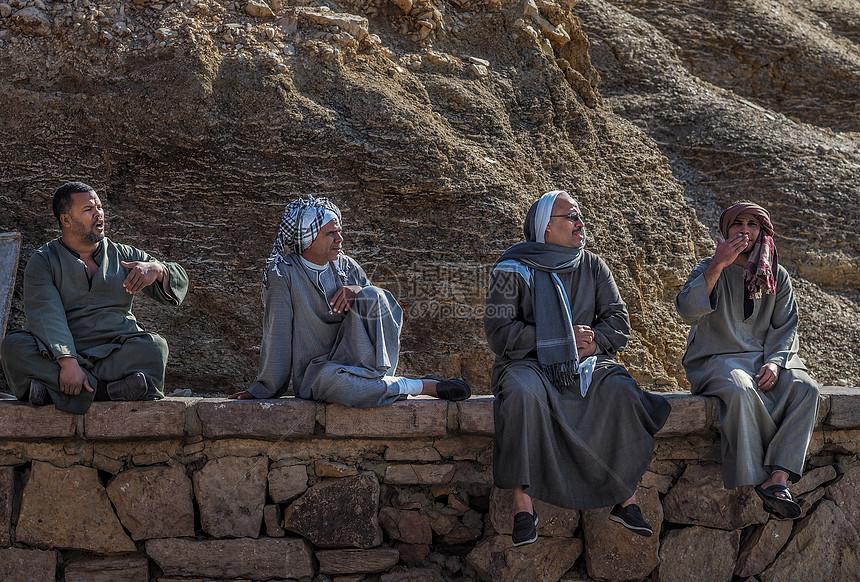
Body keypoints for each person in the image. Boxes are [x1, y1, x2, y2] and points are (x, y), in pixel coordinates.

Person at [484, 190, 670, 545]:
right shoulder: (510, 269)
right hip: (527, 364)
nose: (580, 223)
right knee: (525, 393)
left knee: (619, 388)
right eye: (571, 217)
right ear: (546, 229)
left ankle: (624, 498)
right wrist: (559, 337)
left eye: (580, 215)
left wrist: (595, 342)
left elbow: (618, 320)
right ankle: (523, 503)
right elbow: (499, 332)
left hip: (584, 363)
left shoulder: (593, 265)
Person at [229, 196, 470, 406]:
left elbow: (377, 310)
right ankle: (420, 386)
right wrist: (263, 388)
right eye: (331, 233)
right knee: (337, 385)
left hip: (359, 363)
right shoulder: (283, 274)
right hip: (321, 373)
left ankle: (379, 381)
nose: (340, 239)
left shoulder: (346, 266)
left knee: (375, 294)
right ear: (308, 237)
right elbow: (277, 333)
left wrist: (358, 289)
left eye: (340, 231)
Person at [676, 201, 819, 519]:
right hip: (716, 358)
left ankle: (778, 478)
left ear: (763, 232)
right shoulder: (707, 267)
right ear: (725, 232)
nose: (744, 231)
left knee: (806, 387)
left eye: (752, 225)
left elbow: (786, 328)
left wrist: (776, 362)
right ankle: (759, 480)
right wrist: (718, 265)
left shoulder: (777, 276)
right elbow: (687, 310)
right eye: (737, 225)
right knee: (741, 388)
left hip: (764, 359)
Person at [0, 182, 188, 414]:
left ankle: (59, 390)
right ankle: (108, 391)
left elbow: (179, 279)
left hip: (115, 351)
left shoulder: (123, 255)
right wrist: (68, 362)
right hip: (63, 353)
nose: (99, 213)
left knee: (155, 347)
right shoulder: (44, 261)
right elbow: (46, 315)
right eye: (89, 209)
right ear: (66, 220)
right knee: (13, 346)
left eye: (99, 207)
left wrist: (157, 269)